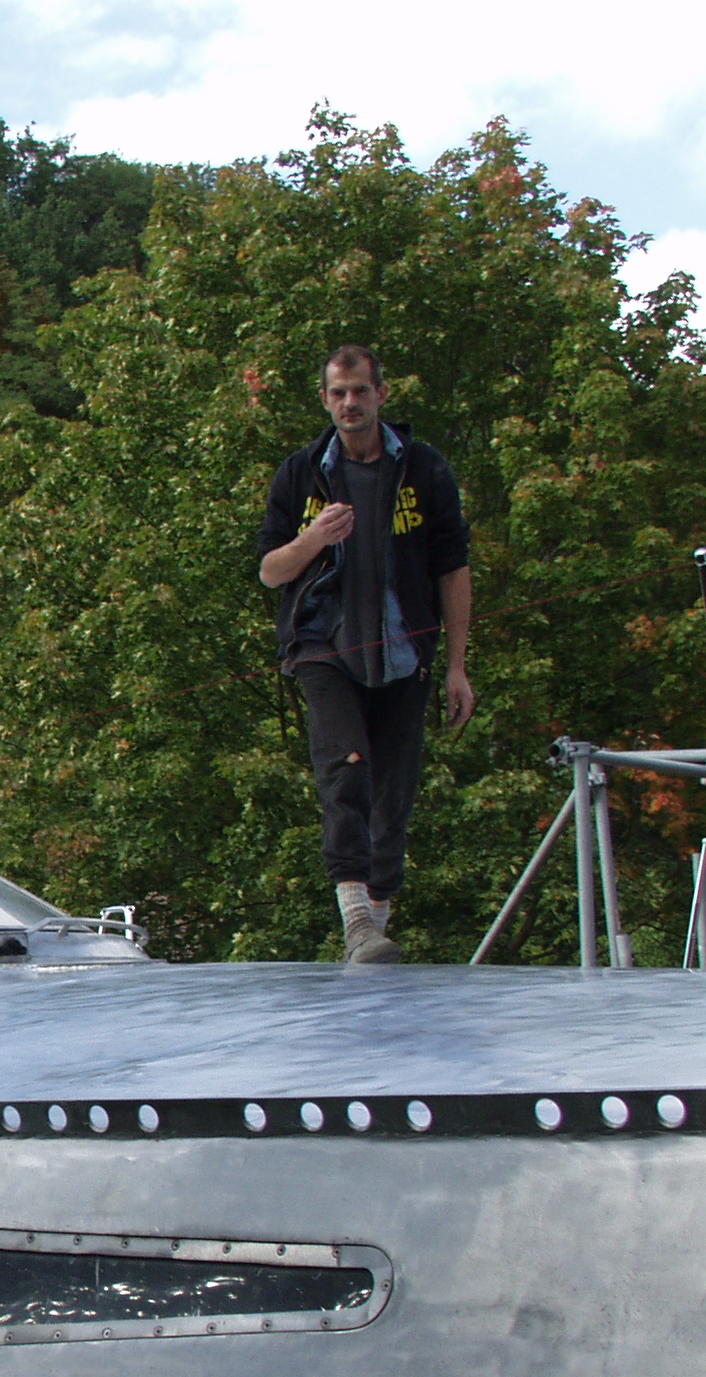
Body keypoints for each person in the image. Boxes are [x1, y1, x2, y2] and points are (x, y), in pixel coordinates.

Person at [257, 346, 473, 963]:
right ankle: (355, 920)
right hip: (322, 644)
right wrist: (313, 538)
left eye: (359, 391)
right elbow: (271, 571)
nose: (349, 403)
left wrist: (457, 666)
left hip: (404, 648)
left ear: (381, 394)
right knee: (346, 765)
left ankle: (375, 927)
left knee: (394, 789)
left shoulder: (423, 469)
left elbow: (453, 568)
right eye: (338, 393)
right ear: (324, 400)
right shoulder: (303, 472)